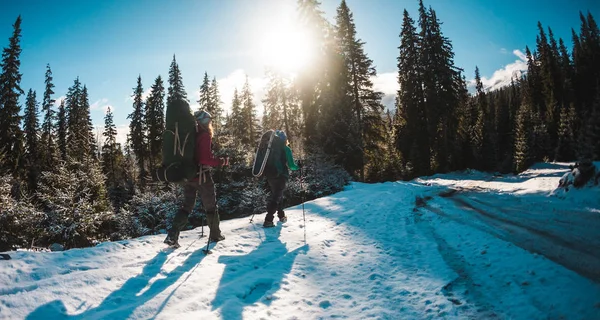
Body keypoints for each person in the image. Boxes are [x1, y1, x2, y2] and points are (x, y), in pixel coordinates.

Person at [164, 110, 228, 247]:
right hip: (202, 176)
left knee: (187, 206)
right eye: (209, 120)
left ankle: (172, 234)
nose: (210, 123)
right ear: (204, 121)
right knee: (210, 205)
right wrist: (221, 161)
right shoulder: (204, 135)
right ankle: (215, 235)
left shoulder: (190, 135)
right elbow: (205, 159)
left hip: (188, 176)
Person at [263, 130, 299, 228]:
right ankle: (268, 220)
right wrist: (298, 167)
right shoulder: (285, 148)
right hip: (281, 175)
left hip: (270, 175)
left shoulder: (269, 148)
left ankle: (281, 216)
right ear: (285, 139)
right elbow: (291, 165)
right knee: (276, 197)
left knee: (278, 195)